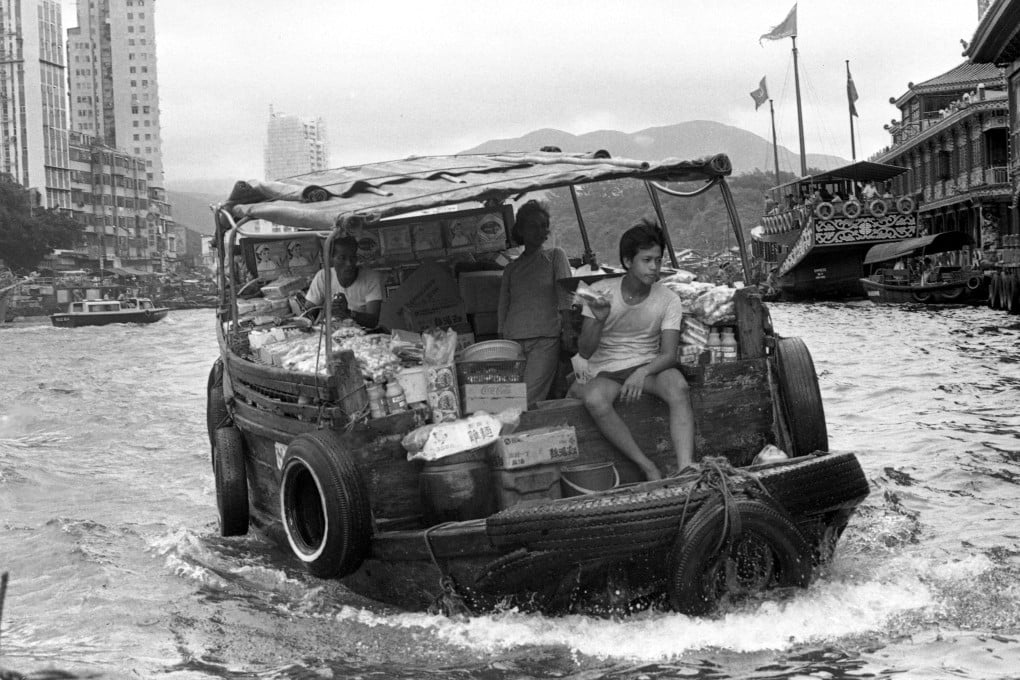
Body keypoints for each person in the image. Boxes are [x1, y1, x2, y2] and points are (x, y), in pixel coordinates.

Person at [574, 219, 694, 480]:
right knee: (594, 400)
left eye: (658, 260)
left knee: (679, 387)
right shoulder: (599, 292)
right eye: (647, 260)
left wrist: (641, 373)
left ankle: (686, 468)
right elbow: (584, 351)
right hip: (606, 371)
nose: (654, 267)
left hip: (649, 367)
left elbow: (669, 354)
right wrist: (600, 317)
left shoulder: (669, 299)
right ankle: (647, 466)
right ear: (628, 262)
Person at [497, 200, 575, 406]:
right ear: (520, 230)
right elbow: (503, 305)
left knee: (528, 398)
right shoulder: (511, 269)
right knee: (510, 397)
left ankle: (516, 434)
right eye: (533, 225)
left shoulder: (555, 256)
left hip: (545, 339)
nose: (540, 231)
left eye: (543, 226)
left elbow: (565, 293)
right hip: (513, 339)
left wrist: (568, 329)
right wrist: (501, 337)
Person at [304, 235, 384, 328]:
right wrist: (325, 310)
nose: (349, 264)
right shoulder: (323, 277)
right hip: (331, 335)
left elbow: (373, 321)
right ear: (331, 259)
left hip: (363, 337)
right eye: (342, 258)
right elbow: (308, 314)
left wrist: (348, 313)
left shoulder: (371, 278)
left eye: (353, 257)